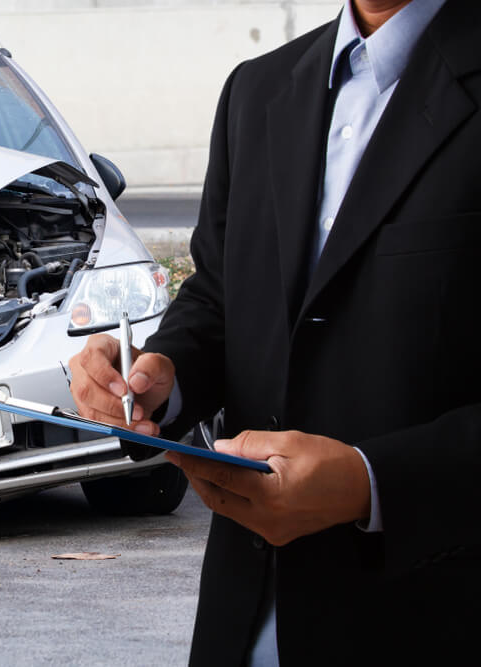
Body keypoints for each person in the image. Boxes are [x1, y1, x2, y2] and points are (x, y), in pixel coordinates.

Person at [68, 0, 481, 664]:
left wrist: (369, 482)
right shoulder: (256, 90)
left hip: (431, 614)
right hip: (245, 614)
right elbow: (219, 294)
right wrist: (156, 378)